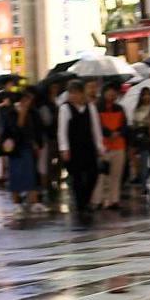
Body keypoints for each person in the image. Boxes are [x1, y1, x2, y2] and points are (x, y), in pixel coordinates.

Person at [59, 79, 105, 224]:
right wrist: (64, 148)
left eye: (76, 93)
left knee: (93, 175)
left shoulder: (90, 107)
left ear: (81, 93)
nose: (73, 96)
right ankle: (81, 205)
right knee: (77, 178)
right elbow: (62, 130)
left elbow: (96, 128)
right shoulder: (65, 108)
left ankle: (85, 200)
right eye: (70, 93)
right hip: (74, 148)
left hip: (88, 146)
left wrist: (99, 146)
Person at [0, 90, 46, 213]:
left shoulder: (31, 112)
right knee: (16, 175)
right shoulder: (11, 112)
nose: (29, 102)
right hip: (15, 148)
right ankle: (16, 202)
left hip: (27, 146)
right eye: (27, 100)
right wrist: (22, 115)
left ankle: (33, 201)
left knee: (30, 174)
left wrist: (36, 143)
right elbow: (15, 130)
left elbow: (33, 130)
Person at [97, 85, 130, 211]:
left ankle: (114, 200)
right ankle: (99, 199)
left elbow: (125, 125)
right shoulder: (97, 108)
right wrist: (109, 134)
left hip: (118, 145)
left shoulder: (120, 109)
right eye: (109, 92)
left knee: (116, 174)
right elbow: (98, 126)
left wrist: (118, 133)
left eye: (114, 93)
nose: (112, 95)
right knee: (102, 175)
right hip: (104, 146)